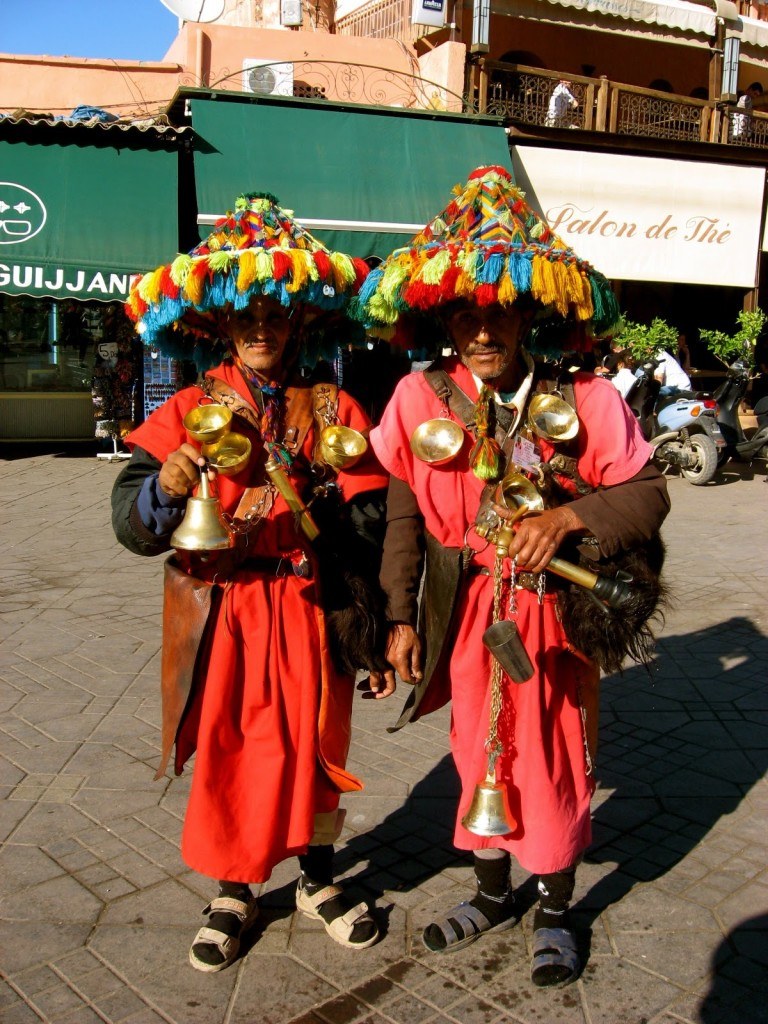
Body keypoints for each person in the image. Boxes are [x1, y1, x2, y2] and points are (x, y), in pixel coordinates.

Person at [353, 166, 670, 987]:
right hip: (465, 614)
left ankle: (558, 907)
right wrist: (398, 617)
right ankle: (493, 893)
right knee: (474, 751)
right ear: (445, 319)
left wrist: (566, 518)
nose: (483, 331)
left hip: (551, 619)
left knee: (554, 760)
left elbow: (648, 490)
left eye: (498, 312)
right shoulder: (418, 399)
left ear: (528, 312)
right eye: (466, 314)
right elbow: (401, 517)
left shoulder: (586, 399)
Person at [112, 191, 393, 973]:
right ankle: (235, 887)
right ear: (221, 324)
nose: (263, 327)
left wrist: (376, 631)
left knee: (317, 745)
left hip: (315, 607)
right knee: (236, 749)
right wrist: (166, 487)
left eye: (277, 312)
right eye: (248, 315)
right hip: (229, 610)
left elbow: (375, 527)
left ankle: (317, 877)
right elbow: (129, 527)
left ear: (299, 320)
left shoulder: (336, 405)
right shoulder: (191, 408)